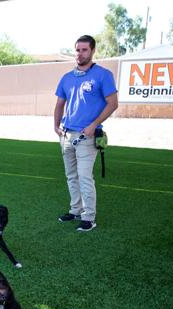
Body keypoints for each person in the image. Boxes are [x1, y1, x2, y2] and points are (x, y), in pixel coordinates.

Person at [53, 35, 119, 232]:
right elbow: (59, 104)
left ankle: (88, 217)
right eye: (77, 50)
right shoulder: (67, 77)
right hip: (66, 135)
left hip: (87, 136)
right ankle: (75, 210)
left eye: (84, 50)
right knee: (71, 176)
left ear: (92, 51)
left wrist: (94, 124)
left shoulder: (103, 75)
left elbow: (113, 104)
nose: (79, 54)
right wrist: (56, 125)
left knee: (84, 176)